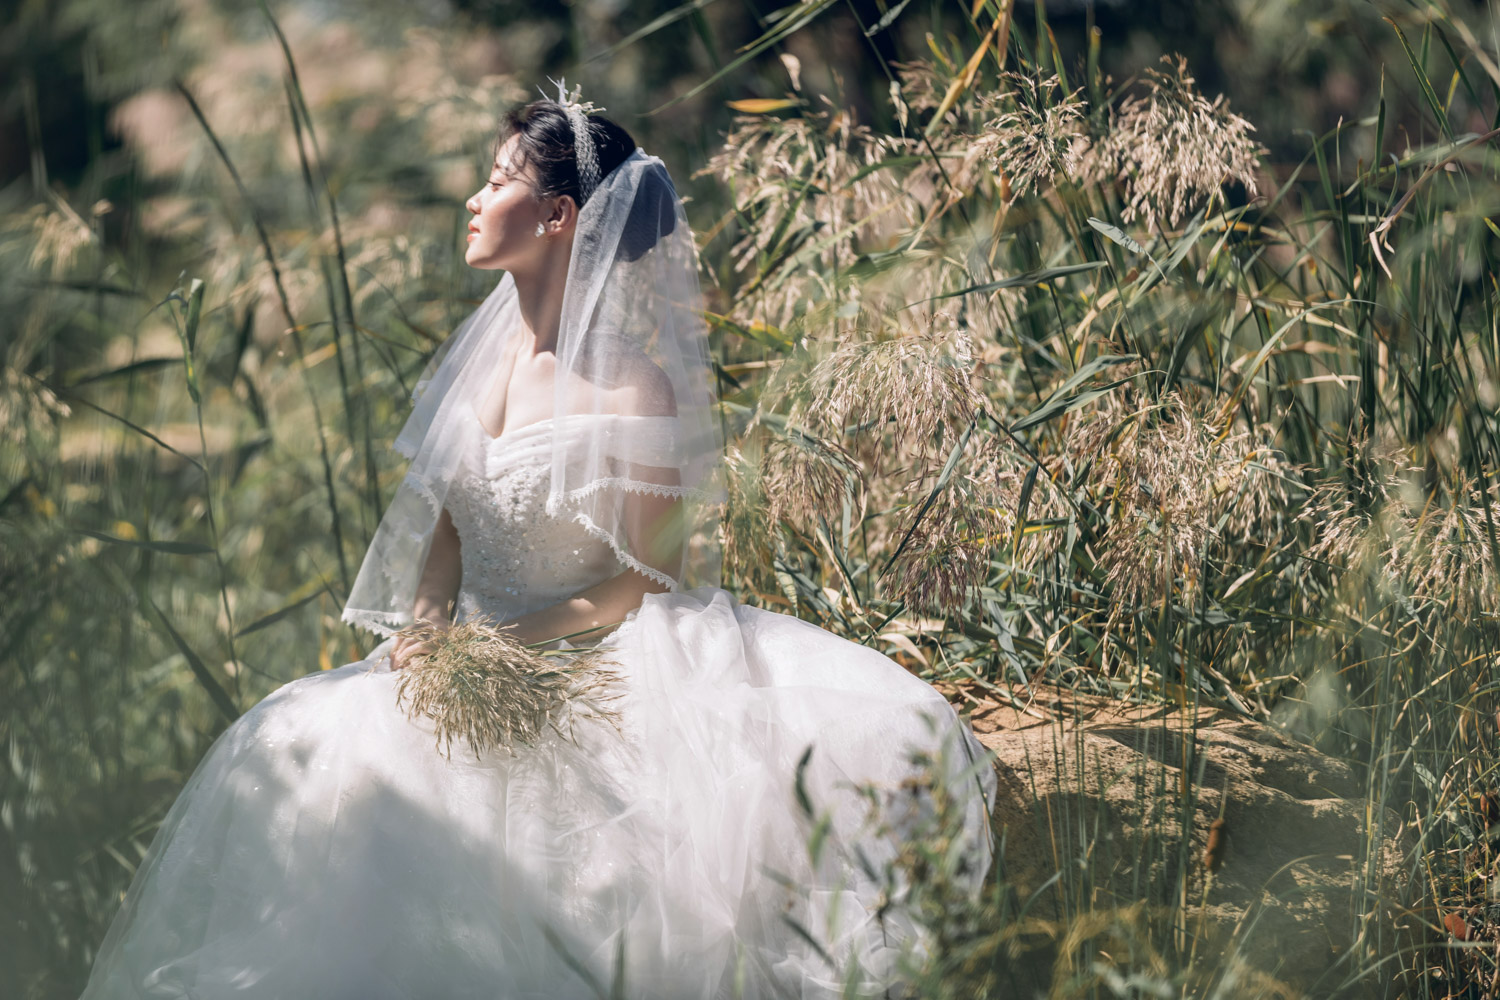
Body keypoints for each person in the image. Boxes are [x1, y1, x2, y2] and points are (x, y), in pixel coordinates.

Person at [81, 90, 996, 1000]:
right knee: (289, 737)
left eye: (496, 182)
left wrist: (506, 645)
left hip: (590, 653)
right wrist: (430, 627)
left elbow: (650, 578)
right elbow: (446, 531)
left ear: (558, 216)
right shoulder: (476, 368)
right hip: (467, 655)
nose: (473, 201)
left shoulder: (634, 389)